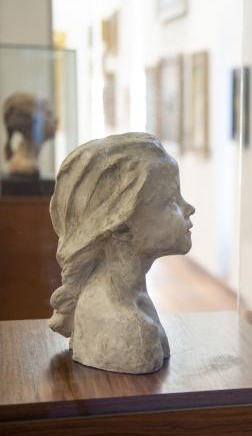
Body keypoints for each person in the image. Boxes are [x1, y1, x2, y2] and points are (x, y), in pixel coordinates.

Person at [49, 132, 195, 374]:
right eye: (171, 200)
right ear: (122, 226)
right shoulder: (129, 327)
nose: (189, 208)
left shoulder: (137, 303)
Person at [2, 92, 57, 177]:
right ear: (33, 121)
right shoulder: (26, 166)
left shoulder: (31, 161)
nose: (56, 120)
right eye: (49, 113)